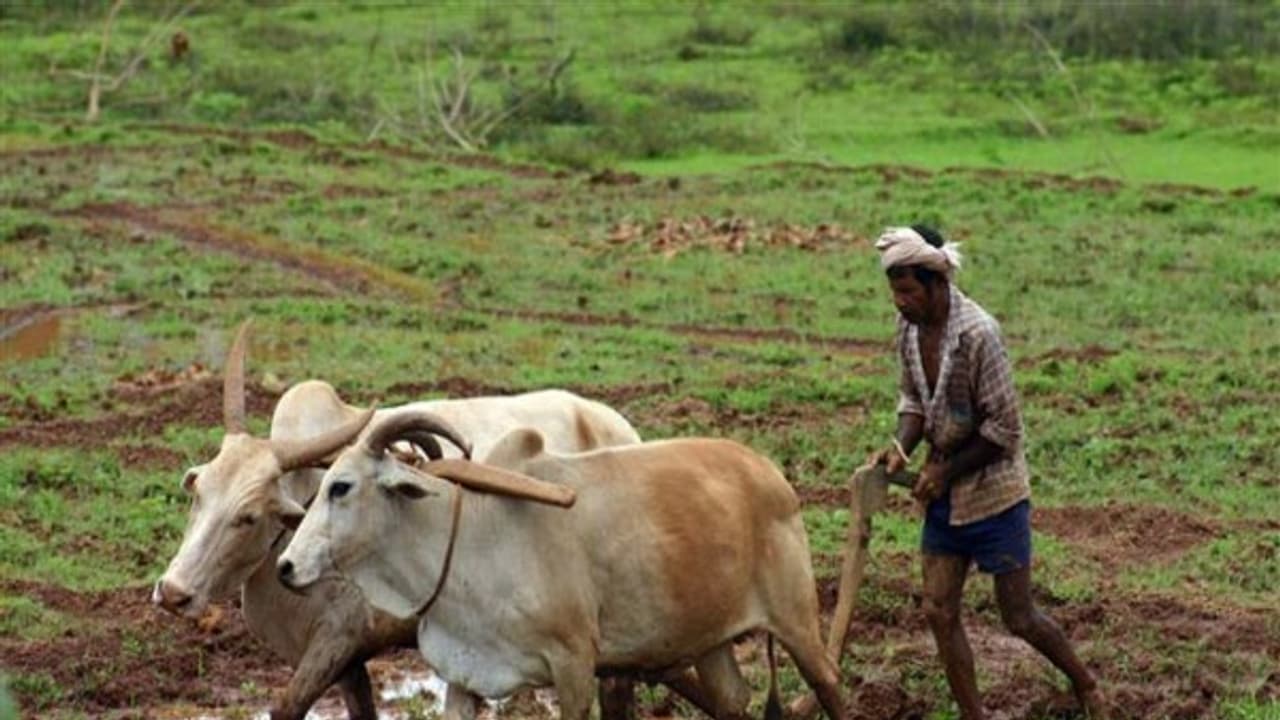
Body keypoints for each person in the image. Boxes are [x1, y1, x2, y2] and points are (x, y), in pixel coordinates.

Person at [866, 225, 1107, 719]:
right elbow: (914, 398)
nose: (900, 302)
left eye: (909, 291)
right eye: (895, 292)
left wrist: (947, 471)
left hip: (994, 494)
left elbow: (1005, 428)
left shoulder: (978, 334)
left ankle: (1086, 684)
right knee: (938, 610)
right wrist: (900, 446)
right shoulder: (909, 329)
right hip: (944, 494)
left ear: (937, 283)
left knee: (1019, 617)